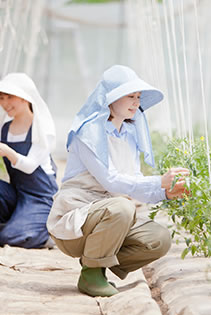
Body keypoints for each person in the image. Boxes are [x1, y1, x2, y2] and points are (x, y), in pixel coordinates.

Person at [47, 65, 189, 297]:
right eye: (129, 96)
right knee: (122, 207)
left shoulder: (127, 134)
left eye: (138, 97)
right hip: (75, 220)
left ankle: (95, 262)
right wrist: (160, 181)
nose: (135, 102)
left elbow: (133, 180)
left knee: (158, 239)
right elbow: (112, 181)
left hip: (107, 220)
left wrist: (165, 192)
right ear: (109, 100)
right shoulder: (89, 133)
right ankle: (91, 277)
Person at [0, 73, 58, 249]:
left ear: (25, 98)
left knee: (9, 239)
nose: (5, 103)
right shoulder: (4, 129)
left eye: (10, 97)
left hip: (40, 198)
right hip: (18, 193)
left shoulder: (41, 129)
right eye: (1, 97)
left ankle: (47, 231)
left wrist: (9, 152)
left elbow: (30, 166)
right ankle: (13, 225)